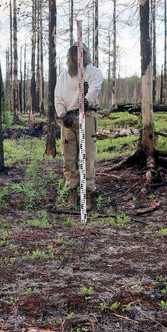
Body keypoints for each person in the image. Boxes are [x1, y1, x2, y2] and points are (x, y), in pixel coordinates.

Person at [54, 42, 104, 209]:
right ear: (71, 56)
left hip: (87, 116)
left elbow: (93, 92)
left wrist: (85, 101)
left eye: (81, 54)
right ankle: (72, 190)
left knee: (88, 155)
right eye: (74, 54)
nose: (78, 57)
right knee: (69, 156)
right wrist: (63, 115)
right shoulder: (64, 76)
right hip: (69, 118)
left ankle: (88, 191)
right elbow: (58, 97)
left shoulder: (94, 73)